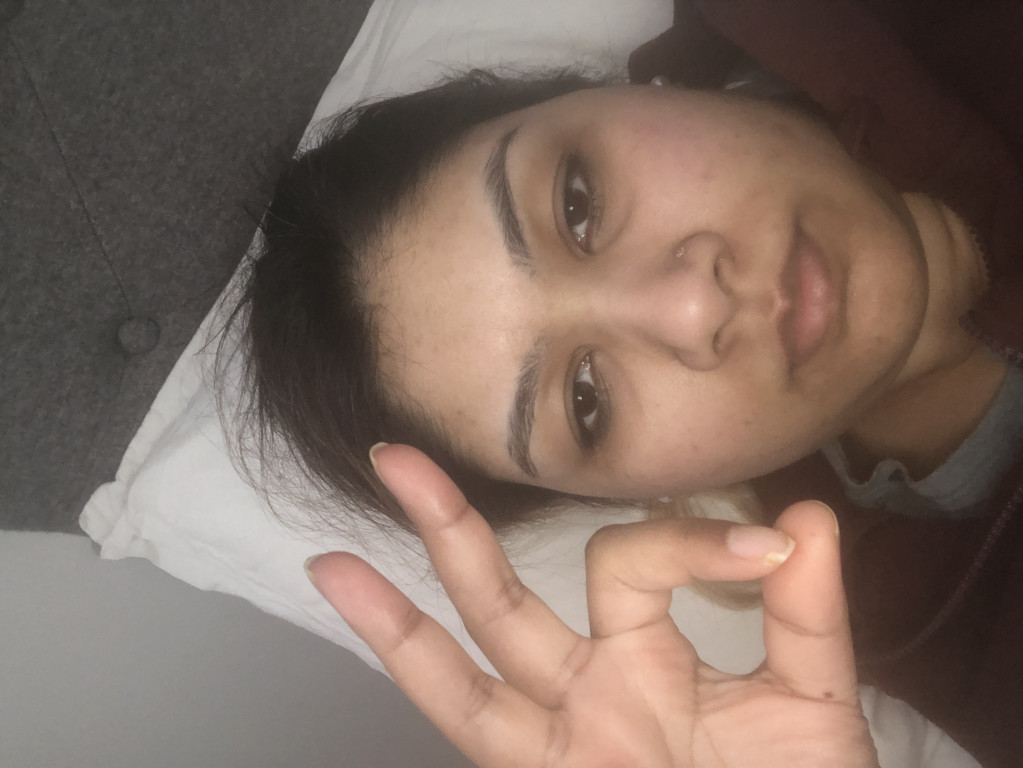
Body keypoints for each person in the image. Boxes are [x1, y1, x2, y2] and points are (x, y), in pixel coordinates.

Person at [231, 1, 1022, 765]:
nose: (691, 308)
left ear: (615, 91)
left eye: (576, 205)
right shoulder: (940, 653)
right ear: (650, 491)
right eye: (586, 403)